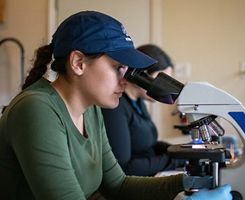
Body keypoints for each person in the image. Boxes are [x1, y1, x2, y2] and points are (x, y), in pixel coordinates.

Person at [0, 11, 232, 200]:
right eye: (117, 67)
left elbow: (118, 185)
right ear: (78, 63)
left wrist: (187, 182)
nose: (125, 79)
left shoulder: (91, 110)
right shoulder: (36, 109)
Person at [102, 44, 183, 176]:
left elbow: (150, 145)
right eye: (161, 80)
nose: (165, 88)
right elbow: (124, 168)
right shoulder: (115, 108)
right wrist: (176, 160)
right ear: (141, 76)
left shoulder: (138, 102)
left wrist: (181, 151)